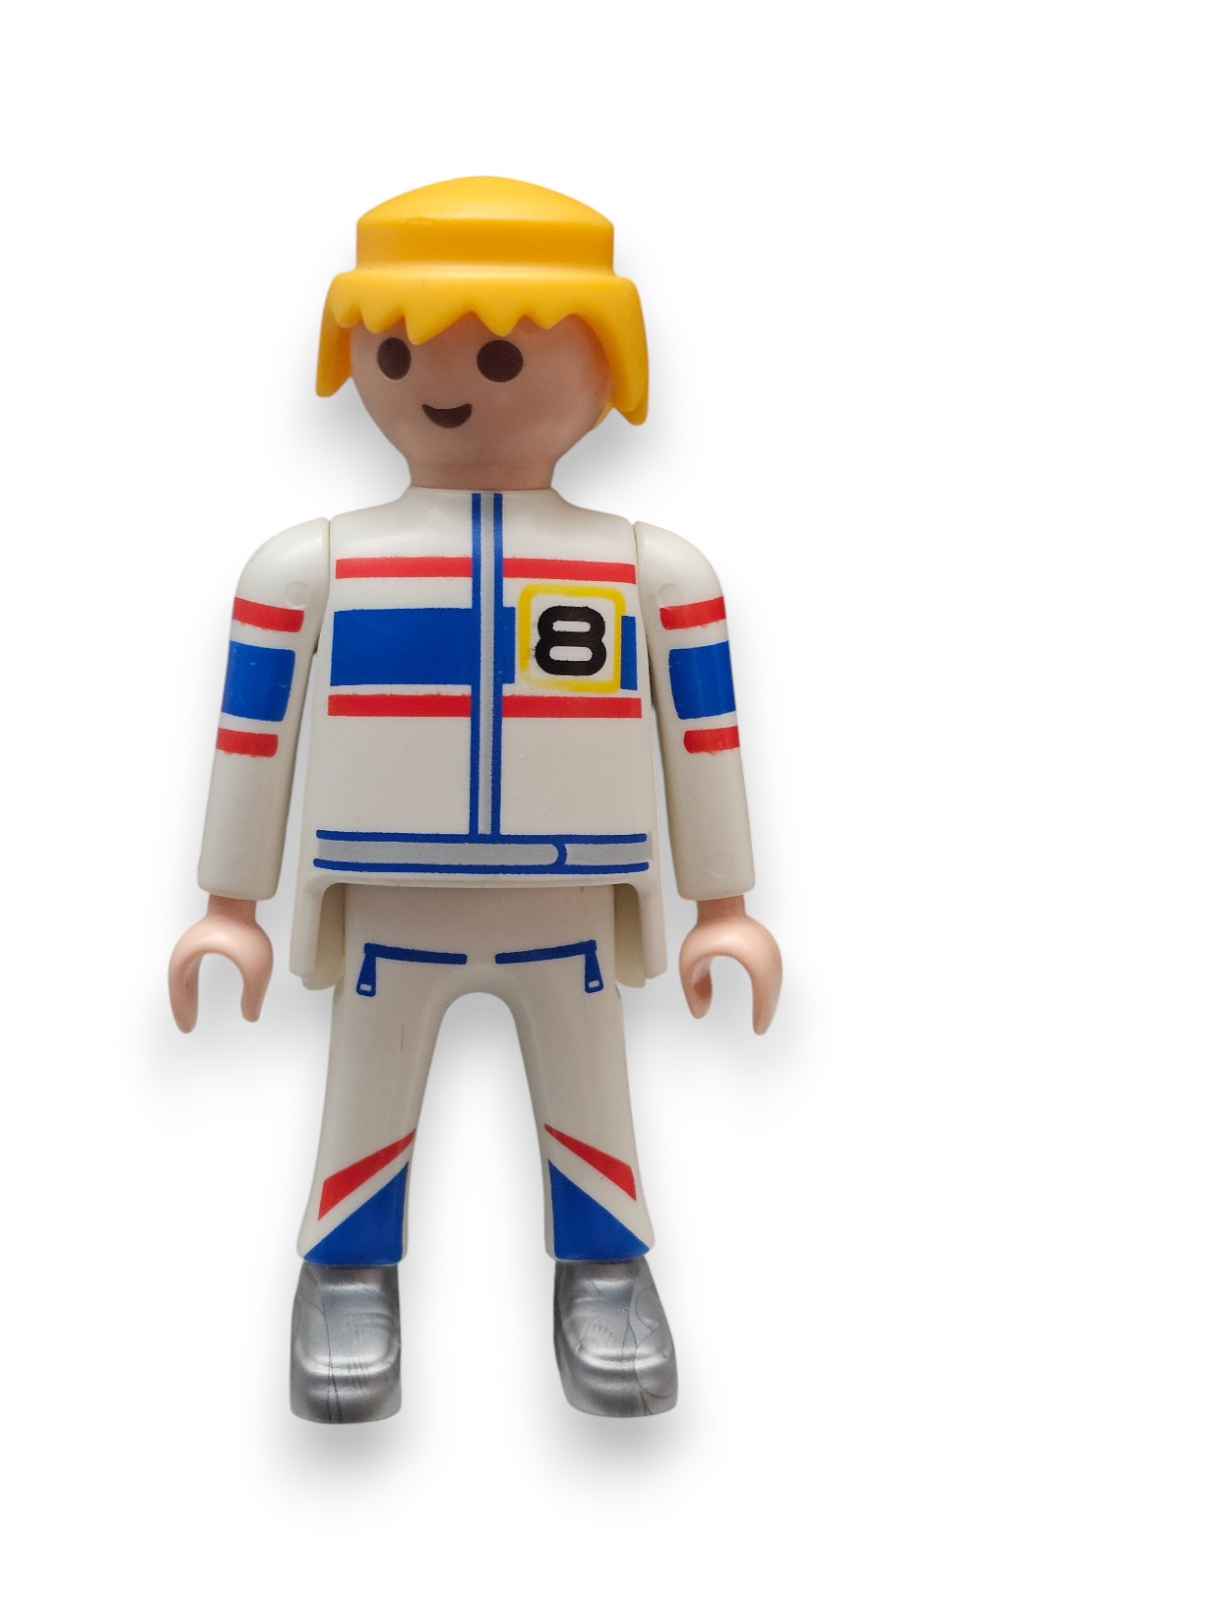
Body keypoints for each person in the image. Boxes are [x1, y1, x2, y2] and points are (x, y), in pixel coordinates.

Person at [169, 176, 782, 1422]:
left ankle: (605, 1271)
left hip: (574, 897)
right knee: (364, 1092)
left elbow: (704, 736)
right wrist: (229, 903)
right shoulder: (309, 567)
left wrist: (723, 903)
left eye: (502, 354)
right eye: (398, 350)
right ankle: (345, 1273)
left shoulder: (653, 573)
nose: (448, 383)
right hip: (387, 896)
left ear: (608, 368)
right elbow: (252, 736)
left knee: (591, 1091)